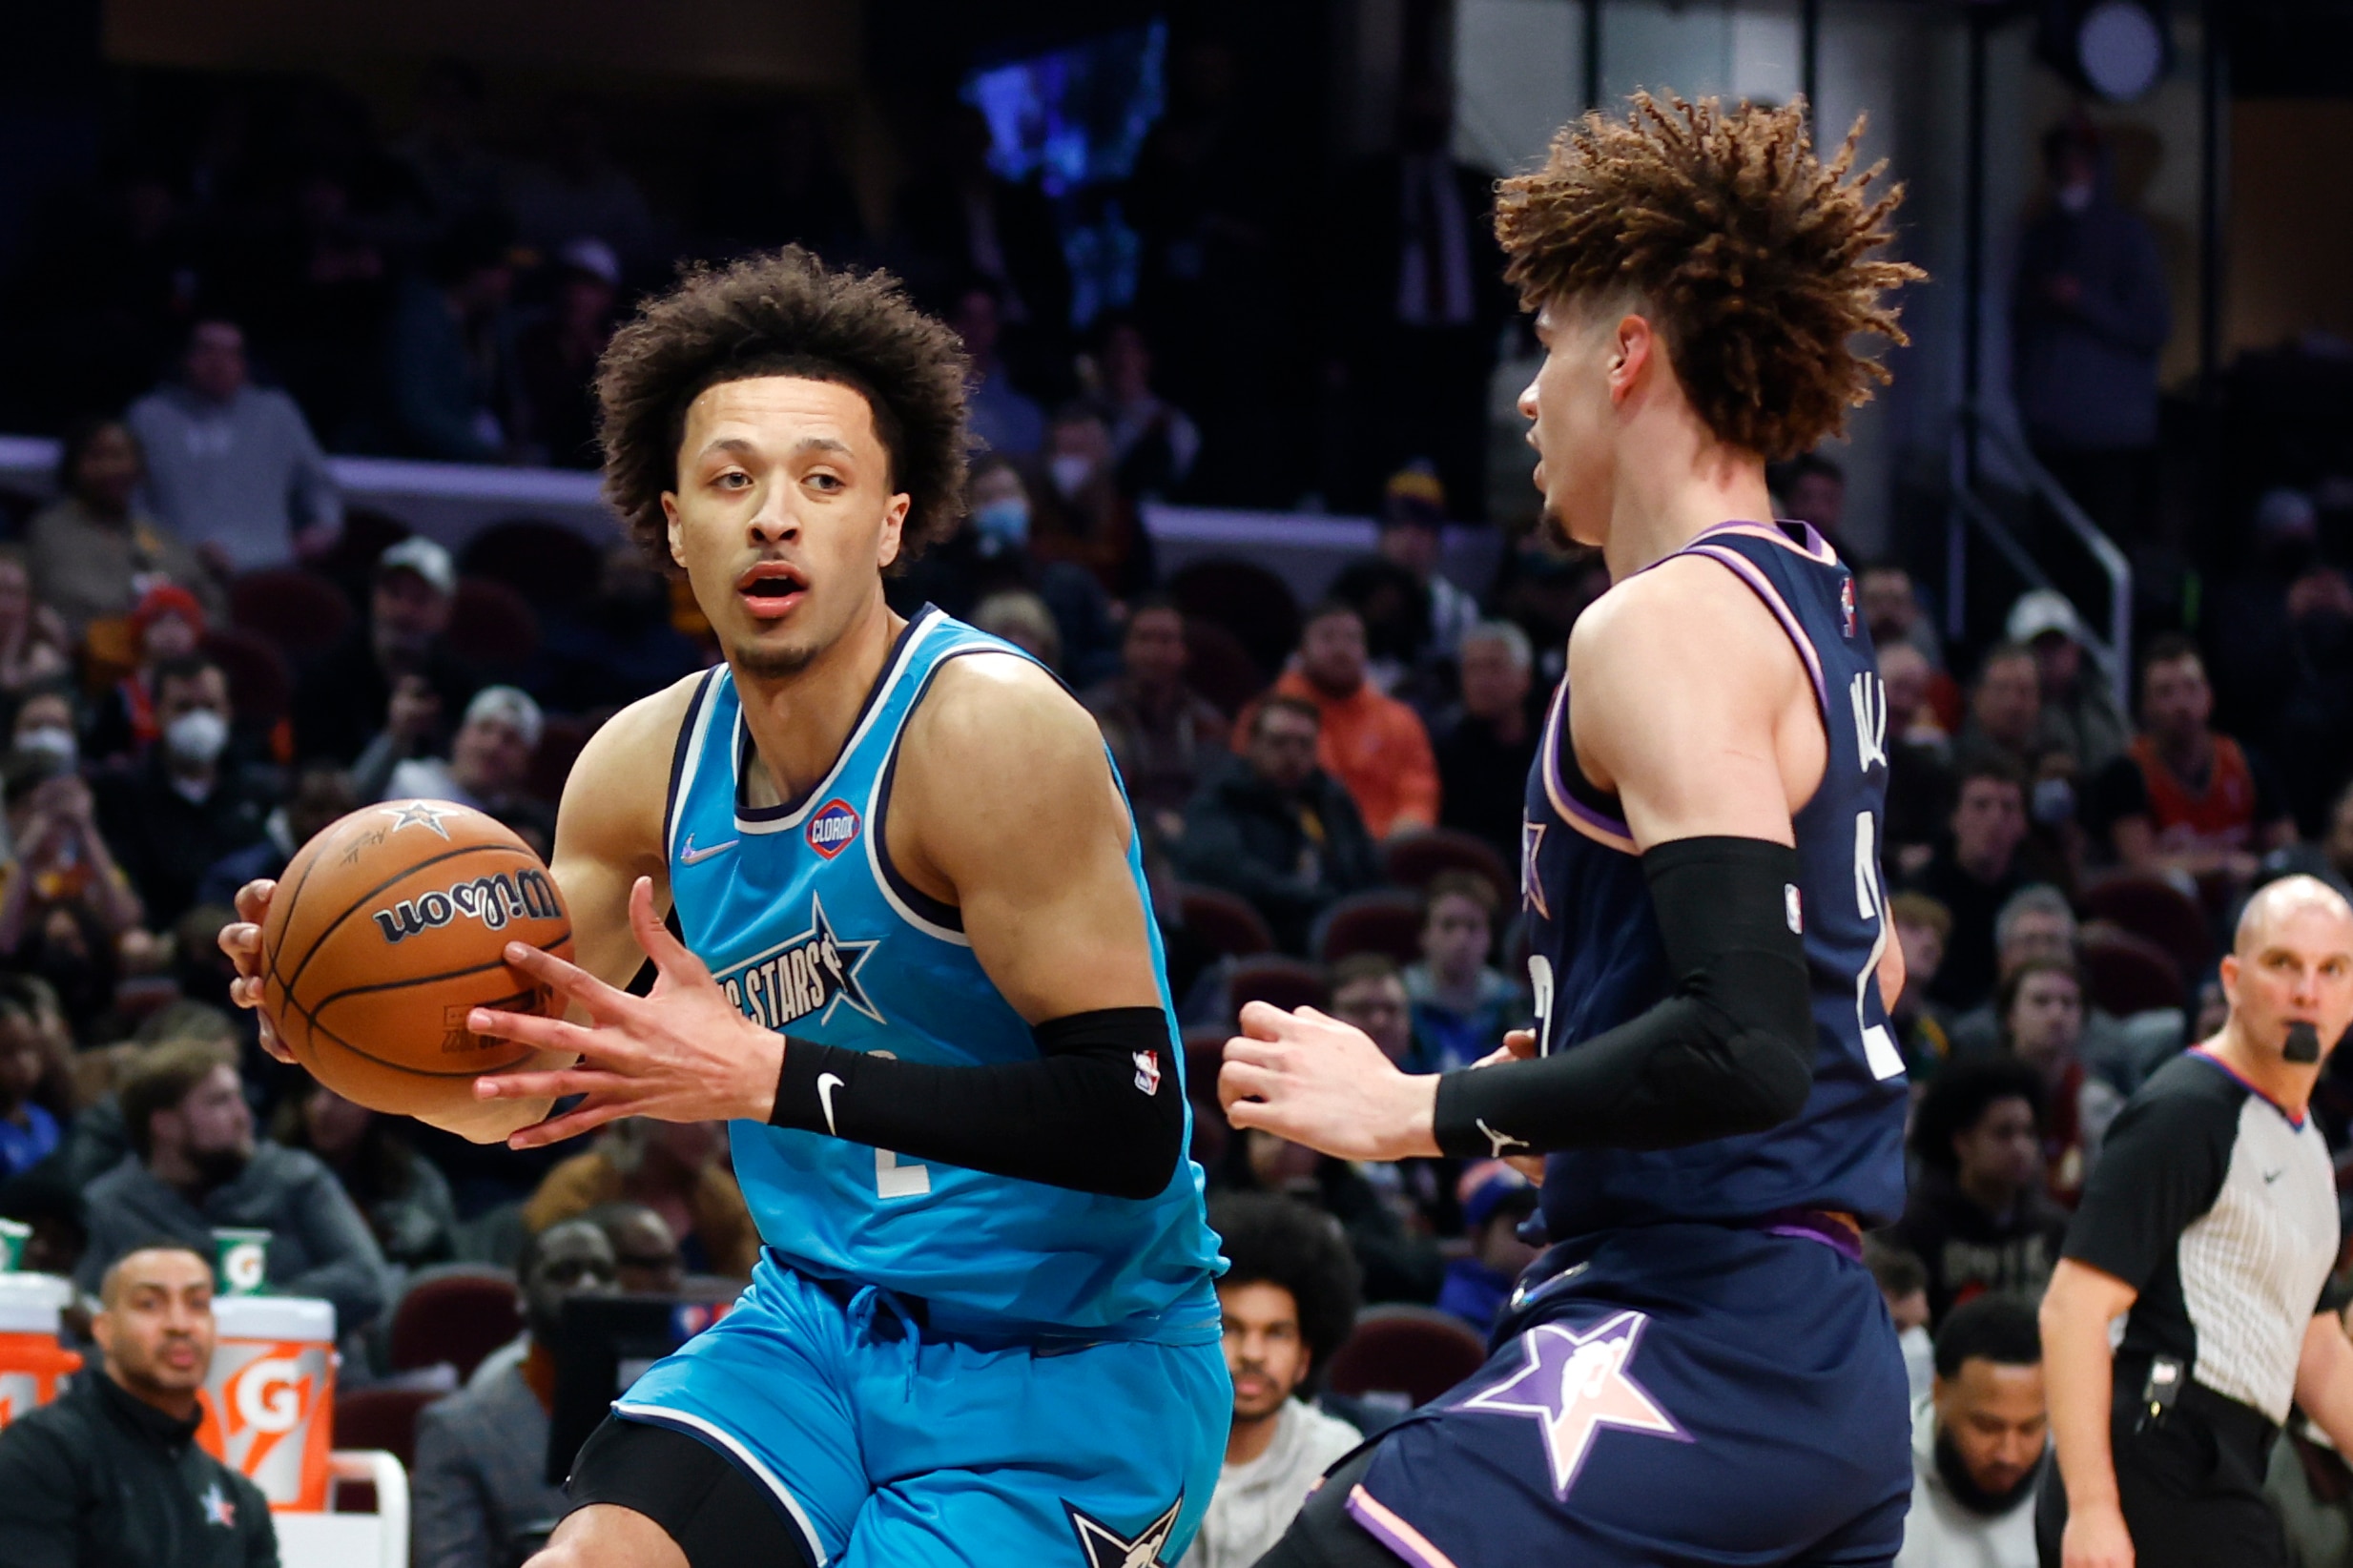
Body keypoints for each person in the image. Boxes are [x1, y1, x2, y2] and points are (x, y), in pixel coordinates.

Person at [223, 246, 1227, 1568]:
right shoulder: (640, 767)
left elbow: (1135, 1120)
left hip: (1067, 1359)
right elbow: (526, 1080)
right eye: (730, 479)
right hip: (812, 1327)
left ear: (889, 520)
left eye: (822, 479)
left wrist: (771, 1074)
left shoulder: (987, 733)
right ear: (670, 522)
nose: (773, 516)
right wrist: (352, 1045)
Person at [1222, 93, 1924, 1566]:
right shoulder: (1811, 599)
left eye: (1542, 343)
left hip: (1696, 1337)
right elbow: (1866, 980)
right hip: (1796, 1348)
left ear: (1626, 353)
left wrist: (1410, 1107)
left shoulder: (1658, 622)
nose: (1525, 396)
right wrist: (1588, 1073)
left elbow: (1742, 1043)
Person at [2038, 876, 2353, 1568]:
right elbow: (2070, 1311)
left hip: (2222, 1461)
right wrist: (2091, 1510)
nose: (2308, 991)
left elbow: (2319, 1350)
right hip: (2153, 1453)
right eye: (2282, 964)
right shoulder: (2186, 1111)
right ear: (2232, 980)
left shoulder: (2300, 1139)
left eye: (2331, 969)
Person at [76, 1042, 390, 1335]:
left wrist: (250, 1310)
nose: (243, 1116)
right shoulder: (113, 1206)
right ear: (165, 1124)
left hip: (302, 1369)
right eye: (219, 1102)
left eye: (239, 1098)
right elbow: (92, 1313)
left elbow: (366, 1280)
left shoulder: (294, 1179)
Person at [0, 1244, 279, 1568]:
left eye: (197, 1304)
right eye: (150, 1304)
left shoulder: (241, 1500)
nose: (179, 1324)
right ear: (104, 1330)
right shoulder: (42, 1452)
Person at [412, 1221, 620, 1568]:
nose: (588, 1285)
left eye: (603, 1272)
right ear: (522, 1294)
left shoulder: (657, 1416)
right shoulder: (455, 1430)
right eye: (565, 1273)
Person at [1180, 1193, 1366, 1568]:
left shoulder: (1337, 1459)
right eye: (1229, 1328)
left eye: (1277, 1333)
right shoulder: (1148, 1446)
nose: (1253, 1353)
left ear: (1305, 1357)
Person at [2011, 120, 2169, 552]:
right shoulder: (2040, 234)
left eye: (2079, 161)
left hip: (2111, 435)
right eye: (2061, 162)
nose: (2069, 172)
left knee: (2104, 548)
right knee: (2053, 547)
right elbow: (2020, 326)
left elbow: (2152, 326)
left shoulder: (2129, 237)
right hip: (2051, 431)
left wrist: (2083, 301)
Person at [126, 317, 342, 574]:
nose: (218, 362)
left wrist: (326, 526)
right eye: (206, 350)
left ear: (245, 363)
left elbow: (319, 484)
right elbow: (132, 503)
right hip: (176, 567)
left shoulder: (276, 412)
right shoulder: (149, 415)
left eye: (230, 353)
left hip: (267, 566)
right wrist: (161, 551)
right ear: (185, 357)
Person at [2088, 634, 2296, 886]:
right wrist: (2222, 864)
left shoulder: (2247, 765)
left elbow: (2288, 853)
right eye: (2165, 692)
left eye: (2191, 688)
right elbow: (2141, 866)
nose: (2181, 704)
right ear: (2146, 706)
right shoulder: (2127, 774)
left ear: (2209, 696)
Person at [1180, 696, 1382, 954]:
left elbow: (1365, 869)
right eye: (1278, 742)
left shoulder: (1331, 799)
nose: (1292, 755)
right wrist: (1314, 899)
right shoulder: (1220, 798)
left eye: (1304, 745)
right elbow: (1226, 871)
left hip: (1333, 935)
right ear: (1252, 745)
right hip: (1257, 937)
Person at [93, 653, 275, 928]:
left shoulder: (261, 791)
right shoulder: (122, 794)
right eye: (184, 707)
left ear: (229, 711)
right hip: (159, 944)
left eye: (210, 707)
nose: (199, 719)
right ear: (156, 713)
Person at [1240, 601, 1439, 840]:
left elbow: (1418, 793)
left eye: (1351, 639)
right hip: (1295, 847)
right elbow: (1249, 790)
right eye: (1327, 638)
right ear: (1301, 651)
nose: (1340, 649)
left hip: (1386, 852)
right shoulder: (1267, 715)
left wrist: (1405, 838)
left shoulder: (1401, 720)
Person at [1891, 1058, 2071, 1325]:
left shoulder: (2054, 1228)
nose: (2021, 1148)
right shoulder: (1917, 1229)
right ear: (1962, 1143)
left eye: (2029, 1133)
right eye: (2004, 1134)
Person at [25, 418, 222, 641]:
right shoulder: (50, 531)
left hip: (175, 654)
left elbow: (208, 603)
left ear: (139, 467)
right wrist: (146, 613)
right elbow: (67, 602)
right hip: (91, 658)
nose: (109, 468)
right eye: (96, 456)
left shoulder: (157, 531)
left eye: (119, 456)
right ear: (74, 465)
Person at [291, 536, 480, 766]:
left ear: (446, 611)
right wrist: (395, 737)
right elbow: (317, 774)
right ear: (374, 597)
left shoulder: (461, 684)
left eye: (420, 599)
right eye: (394, 594)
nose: (404, 610)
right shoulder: (326, 675)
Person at [1896, 1294, 2046, 1568]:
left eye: (2029, 1429)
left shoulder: (2077, 1479)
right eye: (1987, 1427)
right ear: (1939, 1392)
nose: (2009, 1455)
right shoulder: (1880, 1475)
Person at [523, 1118, 759, 1280]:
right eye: (694, 1114)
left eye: (713, 1116)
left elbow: (742, 1284)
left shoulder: (721, 1196)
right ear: (645, 1116)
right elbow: (549, 1275)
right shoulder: (578, 1186)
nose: (707, 1128)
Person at [1083, 597, 1230, 850]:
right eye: (1144, 639)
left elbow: (1215, 793)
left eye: (1165, 640)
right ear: (1125, 647)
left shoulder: (1207, 722)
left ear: (1184, 652)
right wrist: (1151, 820)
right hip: (1117, 837)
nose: (1154, 651)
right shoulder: (1093, 714)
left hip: (1192, 842)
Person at [271, 1083, 459, 1270]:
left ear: (375, 1106)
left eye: (339, 1096)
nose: (320, 1107)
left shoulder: (414, 1178)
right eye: (311, 1091)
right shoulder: (281, 1171)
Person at [1909, 756, 2032, 1013]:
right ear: (1954, 818)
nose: (1995, 819)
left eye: (2008, 808)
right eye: (1981, 806)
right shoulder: (1919, 895)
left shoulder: (2031, 898)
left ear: (2023, 824)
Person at [1433, 620, 1540, 864]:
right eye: (1472, 669)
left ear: (1525, 677)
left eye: (1495, 667)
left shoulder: (1552, 749)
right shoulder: (1447, 751)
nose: (1481, 681)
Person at [1402, 871, 1523, 1073]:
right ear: (1424, 935)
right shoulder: (1396, 1002)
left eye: (1473, 927)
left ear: (1490, 938)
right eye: (1448, 926)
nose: (1461, 940)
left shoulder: (1514, 1004)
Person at [196, 763, 358, 909]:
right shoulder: (237, 879)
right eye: (317, 809)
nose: (331, 821)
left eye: (343, 810)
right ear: (290, 808)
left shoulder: (360, 869)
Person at [2006, 591, 2127, 777]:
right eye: (2038, 646)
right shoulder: (1999, 706)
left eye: (2057, 645)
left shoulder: (2101, 704)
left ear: (2075, 650)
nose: (2048, 656)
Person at [376, 684, 544, 812]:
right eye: (484, 728)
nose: (492, 746)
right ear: (459, 735)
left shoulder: (518, 827)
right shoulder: (407, 778)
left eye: (510, 740)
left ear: (525, 760)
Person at [1435, 1161, 1541, 1335]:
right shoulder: (1460, 1302)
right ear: (1479, 1236)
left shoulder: (1561, 1282)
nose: (1535, 1242)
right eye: (1518, 1227)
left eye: (1542, 1227)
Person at [1958, 644, 2045, 780]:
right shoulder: (1952, 767)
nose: (2013, 704)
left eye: (2024, 691)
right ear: (1978, 696)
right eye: (2001, 690)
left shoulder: (2051, 761)